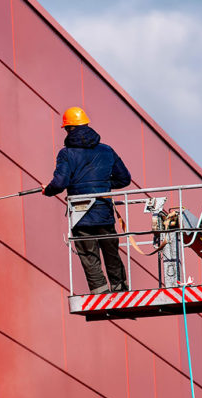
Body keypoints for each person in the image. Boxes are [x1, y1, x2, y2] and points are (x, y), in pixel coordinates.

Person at [43, 107, 131, 294]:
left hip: (81, 213)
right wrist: (102, 186)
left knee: (88, 254)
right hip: (104, 212)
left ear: (68, 129)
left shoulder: (66, 153)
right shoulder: (107, 150)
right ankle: (120, 288)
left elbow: (60, 183)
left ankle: (100, 291)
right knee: (111, 251)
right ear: (86, 124)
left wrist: (48, 191)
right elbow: (124, 179)